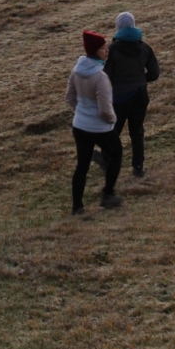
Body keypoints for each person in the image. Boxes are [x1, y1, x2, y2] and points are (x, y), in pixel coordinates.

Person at [65, 29, 123, 215]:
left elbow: (70, 98)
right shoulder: (101, 77)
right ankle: (108, 194)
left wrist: (82, 112)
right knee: (116, 154)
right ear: (95, 51)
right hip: (99, 128)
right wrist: (112, 120)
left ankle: (77, 207)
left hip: (79, 126)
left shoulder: (76, 70)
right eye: (103, 48)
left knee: (82, 165)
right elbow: (105, 110)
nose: (107, 50)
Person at [101, 10, 159, 177]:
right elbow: (154, 73)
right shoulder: (145, 48)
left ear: (118, 27)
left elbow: (106, 76)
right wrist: (140, 80)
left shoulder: (111, 50)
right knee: (137, 131)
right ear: (133, 25)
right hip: (140, 94)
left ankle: (107, 160)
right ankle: (138, 167)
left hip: (119, 97)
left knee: (113, 130)